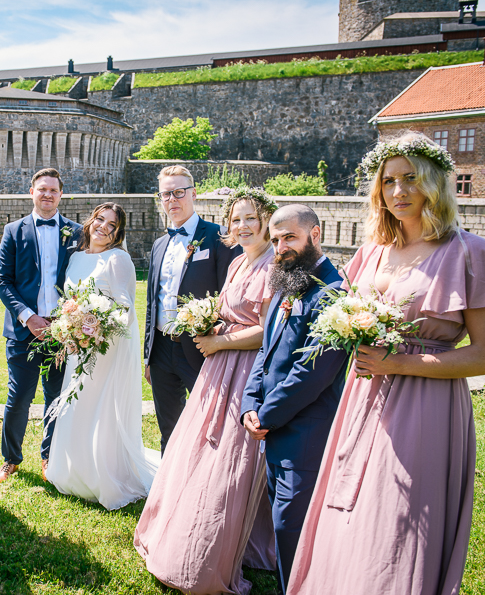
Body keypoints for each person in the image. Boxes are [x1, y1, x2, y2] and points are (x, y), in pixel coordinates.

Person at [287, 133, 485, 594]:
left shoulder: (470, 252)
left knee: (395, 518)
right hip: (362, 397)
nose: (398, 191)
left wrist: (401, 364)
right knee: (346, 507)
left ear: (435, 182)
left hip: (425, 402)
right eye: (388, 181)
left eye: (411, 178)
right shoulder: (371, 251)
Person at [135, 188, 277, 594]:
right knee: (198, 445)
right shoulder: (237, 265)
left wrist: (219, 343)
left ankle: (229, 542)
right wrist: (210, 327)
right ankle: (181, 525)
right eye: (236, 219)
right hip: (218, 365)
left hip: (246, 369)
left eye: (251, 218)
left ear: (265, 220)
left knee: (234, 455)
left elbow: (269, 330)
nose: (243, 226)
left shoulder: (273, 267)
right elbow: (225, 312)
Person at [238, 204, 348, 594]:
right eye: (276, 238)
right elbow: (265, 353)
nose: (281, 246)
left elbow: (313, 372)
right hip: (272, 427)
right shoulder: (287, 283)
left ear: (314, 235)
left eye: (290, 237)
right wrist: (249, 404)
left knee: (292, 527)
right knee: (285, 524)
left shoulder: (332, 293)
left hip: (306, 430)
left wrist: (266, 414)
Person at [45, 203, 160, 510]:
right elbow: (69, 301)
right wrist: (70, 327)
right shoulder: (76, 258)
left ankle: (105, 475)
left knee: (100, 408)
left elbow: (125, 310)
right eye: (100, 220)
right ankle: (73, 471)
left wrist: (96, 328)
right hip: (78, 346)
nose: (103, 228)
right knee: (77, 405)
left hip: (105, 347)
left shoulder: (119, 259)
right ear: (91, 221)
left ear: (118, 233)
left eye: (112, 225)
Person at [0, 168, 83, 484]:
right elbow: (2, 280)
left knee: (57, 398)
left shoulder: (76, 233)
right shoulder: (13, 231)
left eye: (53, 190)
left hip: (63, 332)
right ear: (32, 192)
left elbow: (85, 279)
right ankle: (10, 459)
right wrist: (27, 317)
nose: (47, 195)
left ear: (61, 195)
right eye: (41, 189)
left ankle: (50, 457)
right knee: (18, 398)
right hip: (23, 331)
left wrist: (71, 318)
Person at [144, 165, 240, 454]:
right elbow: (152, 302)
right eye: (165, 194)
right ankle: (166, 490)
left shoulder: (219, 237)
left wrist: (219, 341)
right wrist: (148, 355)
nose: (172, 199)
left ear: (193, 194)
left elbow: (229, 296)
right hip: (161, 350)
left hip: (201, 347)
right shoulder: (160, 244)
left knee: (211, 422)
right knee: (168, 426)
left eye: (179, 192)